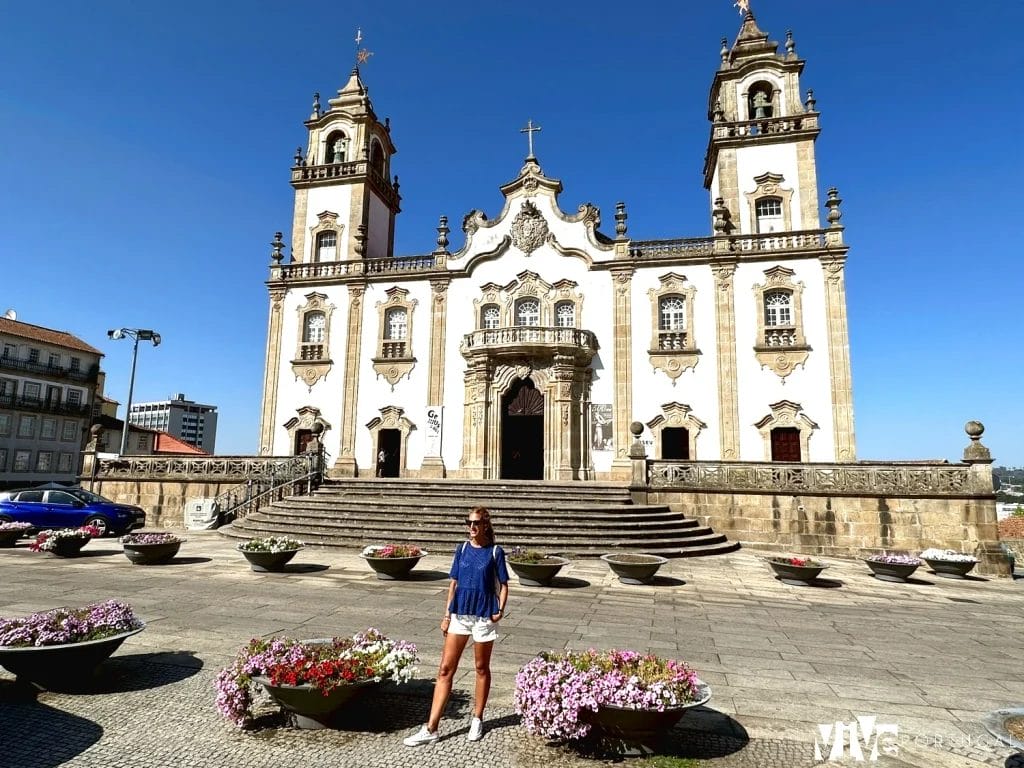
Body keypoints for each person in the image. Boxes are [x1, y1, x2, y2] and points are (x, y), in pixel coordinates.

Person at [403, 506, 509, 746]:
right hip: (460, 614)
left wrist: (500, 611)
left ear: (485, 525)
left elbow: (504, 585)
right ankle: (431, 728)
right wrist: (446, 615)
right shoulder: (461, 549)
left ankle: (477, 719)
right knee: (445, 669)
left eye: (476, 523)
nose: (471, 527)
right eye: (468, 522)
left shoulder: (495, 552)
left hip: (483, 616)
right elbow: (453, 584)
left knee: (481, 668)